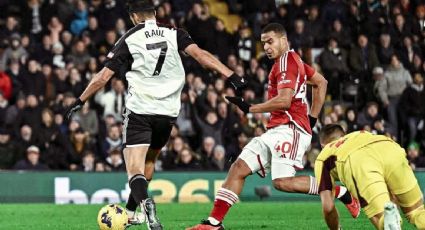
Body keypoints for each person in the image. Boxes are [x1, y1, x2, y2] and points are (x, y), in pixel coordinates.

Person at [64, 0, 246, 229]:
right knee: (150, 159)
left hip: (141, 109)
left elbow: (102, 77)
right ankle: (131, 212)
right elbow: (200, 55)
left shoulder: (130, 38)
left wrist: (80, 100)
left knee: (134, 167)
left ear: (134, 17)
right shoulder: (173, 32)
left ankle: (146, 204)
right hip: (168, 113)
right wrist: (231, 75)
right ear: (155, 14)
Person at [187, 23, 359, 230]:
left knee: (282, 182)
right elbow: (321, 83)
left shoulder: (287, 62)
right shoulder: (292, 62)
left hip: (289, 128)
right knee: (238, 168)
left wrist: (251, 108)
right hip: (278, 130)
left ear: (284, 40)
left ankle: (339, 191)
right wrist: (312, 118)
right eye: (263, 43)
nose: (266, 47)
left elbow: (285, 100)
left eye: (270, 41)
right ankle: (214, 223)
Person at [315, 124, 425, 229]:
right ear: (344, 135)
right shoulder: (359, 134)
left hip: (358, 160)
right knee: (416, 211)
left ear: (322, 146)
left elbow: (328, 207)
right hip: (389, 147)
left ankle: (388, 221)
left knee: (382, 218)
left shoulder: (323, 155)